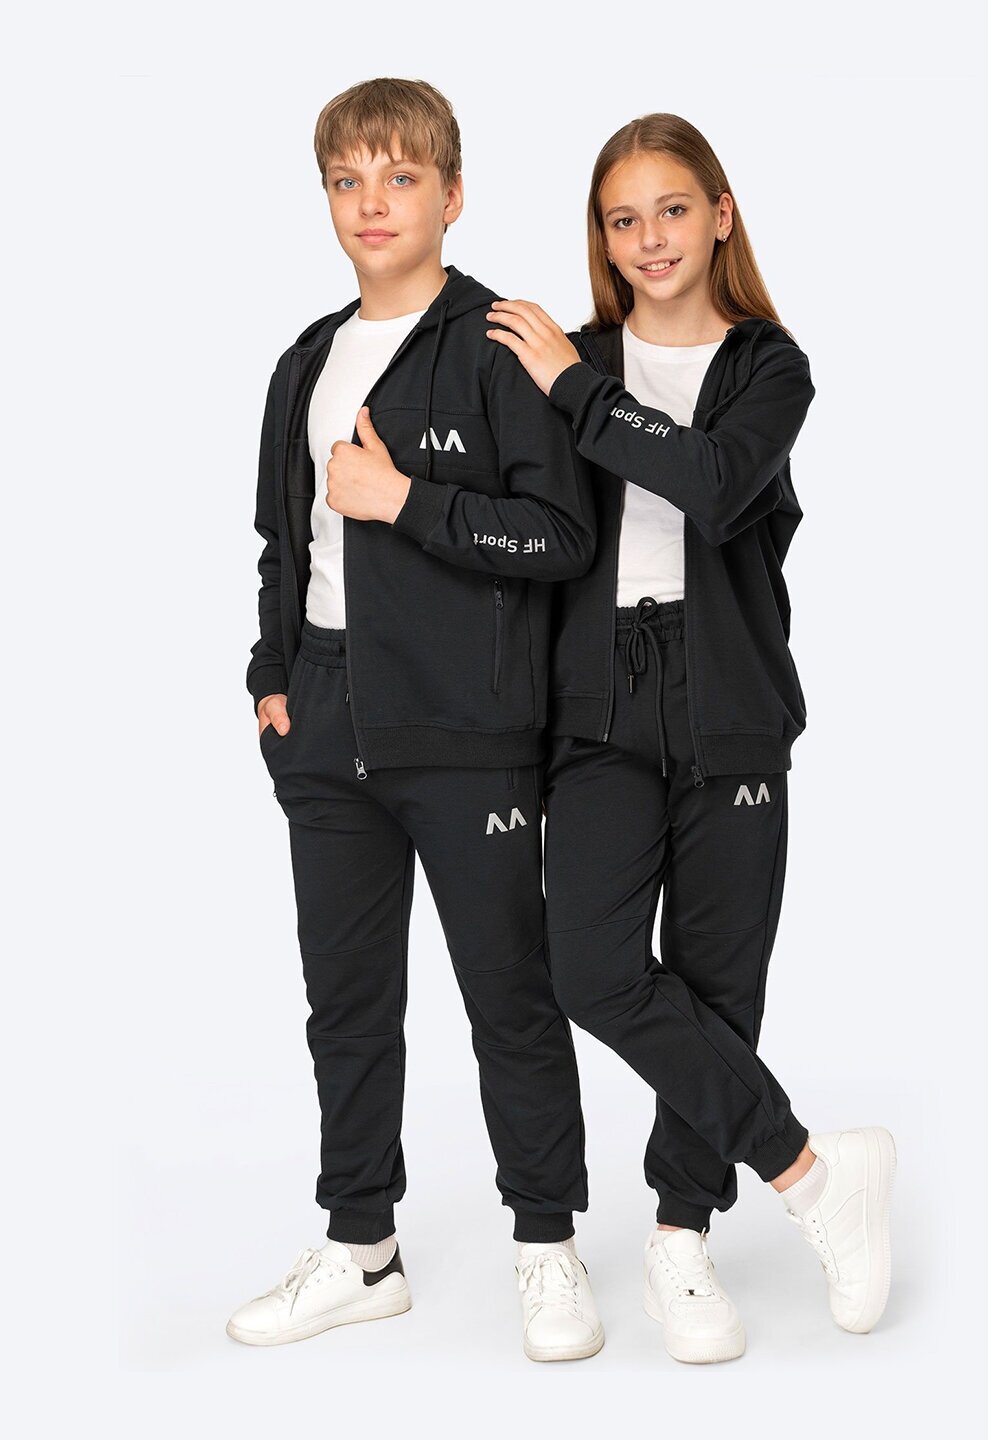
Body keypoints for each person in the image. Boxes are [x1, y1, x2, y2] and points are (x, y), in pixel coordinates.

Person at [484, 112, 895, 1363]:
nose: (650, 238)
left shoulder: (770, 366)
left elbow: (714, 486)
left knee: (719, 982)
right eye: (624, 219)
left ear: (720, 215)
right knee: (592, 968)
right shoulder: (571, 355)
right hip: (598, 703)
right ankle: (814, 1173)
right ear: (602, 239)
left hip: (730, 700)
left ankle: (680, 1237)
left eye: (672, 208)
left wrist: (576, 391)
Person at [227, 77, 605, 1362]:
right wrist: (271, 681)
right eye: (348, 180)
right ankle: (361, 1247)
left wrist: (404, 502)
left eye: (400, 177)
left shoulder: (499, 345)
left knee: (509, 996)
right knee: (345, 1005)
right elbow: (282, 544)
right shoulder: (305, 361)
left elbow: (561, 538)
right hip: (327, 720)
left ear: (452, 194)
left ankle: (547, 1244)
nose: (372, 203)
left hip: (469, 731)